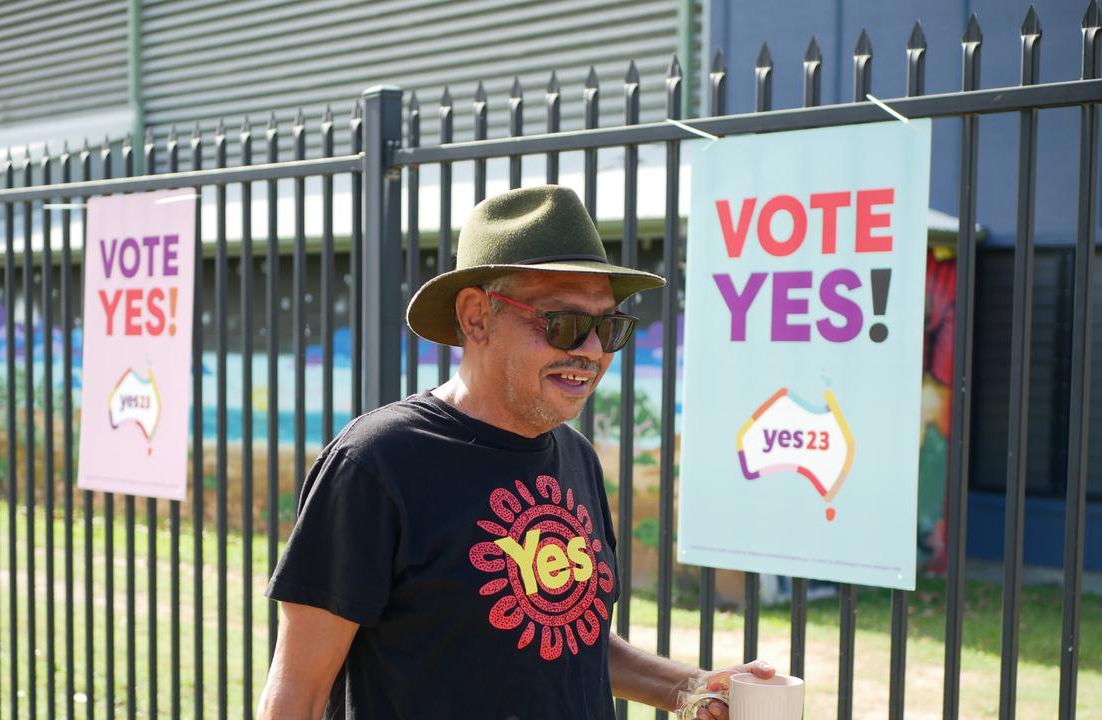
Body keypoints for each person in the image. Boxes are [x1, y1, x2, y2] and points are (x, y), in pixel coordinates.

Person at [259, 185, 774, 719]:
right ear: (477, 316)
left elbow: (567, 638)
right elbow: (295, 694)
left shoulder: (576, 457)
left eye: (608, 327)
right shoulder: (377, 463)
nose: (592, 351)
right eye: (566, 324)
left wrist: (689, 686)